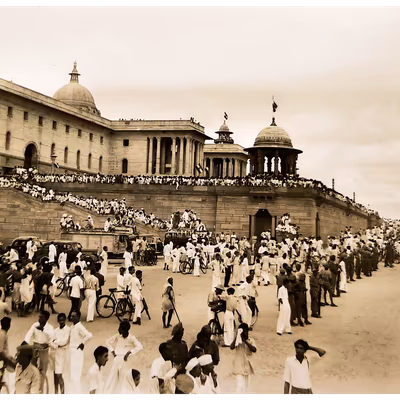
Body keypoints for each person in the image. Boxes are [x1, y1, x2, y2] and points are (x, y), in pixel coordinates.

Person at [104, 320, 143, 395]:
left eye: (120, 328)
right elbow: (107, 341)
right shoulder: (118, 336)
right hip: (117, 358)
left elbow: (140, 346)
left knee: (123, 379)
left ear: (125, 330)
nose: (118, 330)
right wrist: (112, 351)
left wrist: (129, 352)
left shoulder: (131, 338)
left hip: (125, 361)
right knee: (112, 378)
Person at [23, 310, 54, 395]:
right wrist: (25, 342)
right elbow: (28, 335)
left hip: (44, 350)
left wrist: (43, 330)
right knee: (31, 369)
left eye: (41, 317)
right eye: (39, 317)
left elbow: (52, 336)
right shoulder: (35, 325)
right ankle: (28, 389)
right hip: (35, 348)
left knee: (43, 370)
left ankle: (40, 389)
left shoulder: (50, 327)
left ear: (46, 319)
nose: (39, 318)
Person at [69, 310, 92, 395]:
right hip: (72, 352)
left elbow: (89, 335)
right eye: (71, 316)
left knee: (76, 375)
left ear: (78, 317)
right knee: (73, 376)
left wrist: (83, 343)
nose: (72, 317)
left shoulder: (79, 327)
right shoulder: (72, 327)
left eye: (74, 316)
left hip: (77, 352)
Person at [230, 323, 257, 394]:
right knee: (239, 386)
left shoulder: (251, 340)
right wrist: (237, 337)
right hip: (239, 367)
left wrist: (245, 341)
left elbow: (254, 349)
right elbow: (231, 347)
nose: (245, 333)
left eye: (246, 331)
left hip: (248, 367)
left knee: (246, 388)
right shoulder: (237, 341)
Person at [49, 313, 70, 396]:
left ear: (65, 320)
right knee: (54, 374)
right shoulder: (55, 330)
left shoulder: (67, 330)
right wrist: (55, 343)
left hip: (61, 354)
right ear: (58, 321)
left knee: (59, 374)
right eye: (60, 320)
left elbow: (64, 341)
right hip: (53, 354)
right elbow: (50, 341)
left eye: (63, 320)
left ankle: (62, 394)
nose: (61, 322)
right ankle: (56, 393)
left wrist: (55, 342)